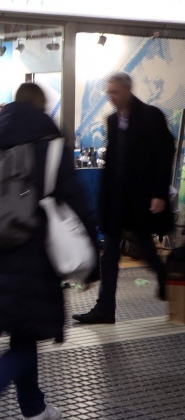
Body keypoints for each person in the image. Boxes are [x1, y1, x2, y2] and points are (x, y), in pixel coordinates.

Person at [0, 83, 99, 420]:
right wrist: (93, 266)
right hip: (29, 259)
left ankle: (34, 408)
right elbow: (79, 205)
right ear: (42, 107)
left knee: (23, 336)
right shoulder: (51, 147)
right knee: (26, 337)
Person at [73, 72, 175, 325]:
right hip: (117, 201)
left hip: (140, 199)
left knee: (146, 250)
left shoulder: (151, 116)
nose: (111, 97)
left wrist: (159, 194)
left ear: (128, 90)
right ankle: (104, 309)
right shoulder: (111, 121)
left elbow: (163, 156)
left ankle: (166, 278)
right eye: (108, 92)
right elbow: (113, 164)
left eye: (115, 92)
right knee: (109, 254)